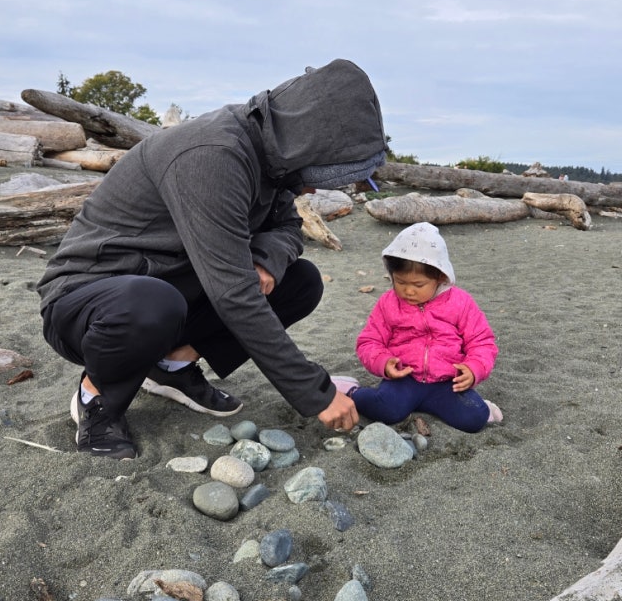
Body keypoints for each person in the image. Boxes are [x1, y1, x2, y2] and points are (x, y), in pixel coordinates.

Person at [37, 59, 387, 459]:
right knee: (154, 303)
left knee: (300, 282)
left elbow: (289, 227)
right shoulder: (212, 156)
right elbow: (233, 294)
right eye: (328, 174)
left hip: (172, 285)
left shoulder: (273, 157)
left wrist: (265, 259)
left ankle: (170, 367)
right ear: (312, 146)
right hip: (89, 303)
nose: (316, 189)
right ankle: (97, 399)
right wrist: (316, 393)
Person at [332, 222, 502, 433]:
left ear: (441, 277)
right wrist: (384, 363)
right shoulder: (388, 303)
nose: (409, 291)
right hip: (404, 379)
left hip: (447, 382)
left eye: (418, 285)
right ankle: (350, 391)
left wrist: (474, 368)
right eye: (400, 282)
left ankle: (479, 407)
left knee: (475, 419)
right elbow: (369, 341)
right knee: (386, 411)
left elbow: (481, 341)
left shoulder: (460, 302)